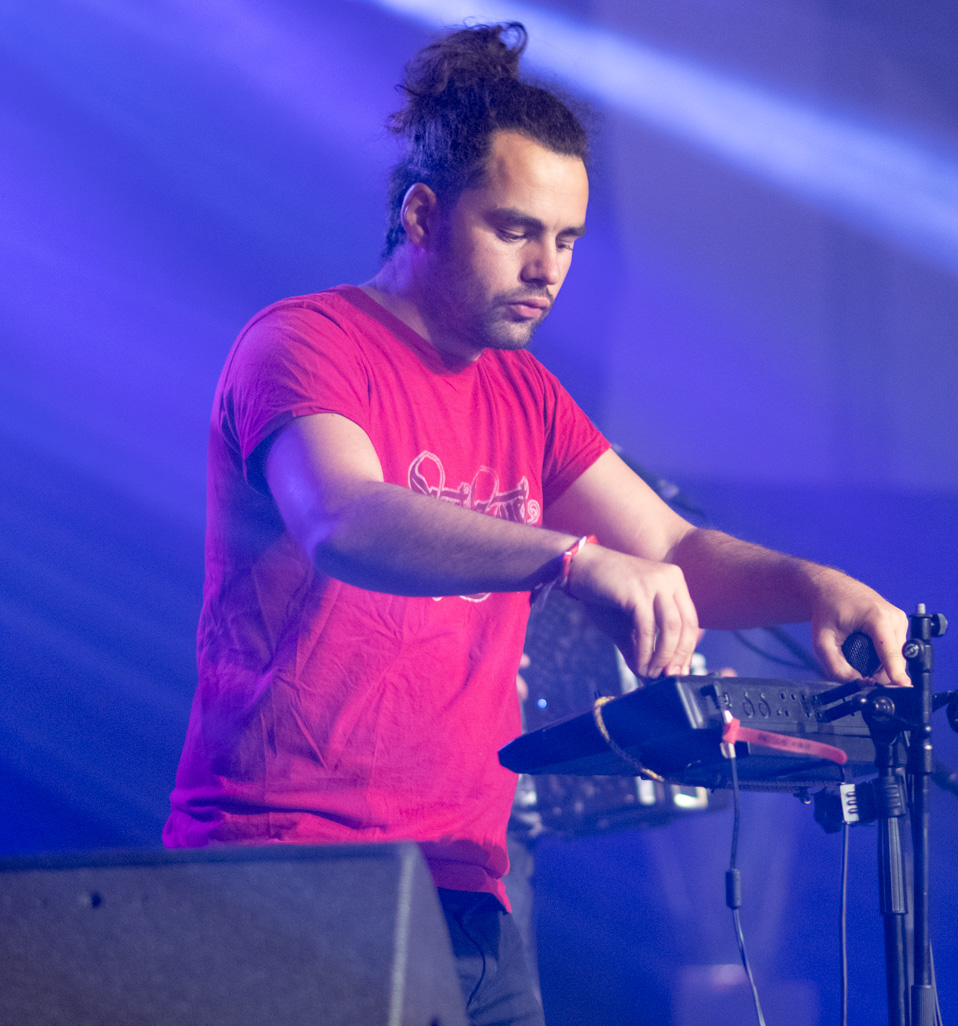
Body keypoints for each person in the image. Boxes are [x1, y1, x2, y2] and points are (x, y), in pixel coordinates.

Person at [163, 22, 910, 1026]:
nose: (546, 268)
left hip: (470, 885)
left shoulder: (526, 395)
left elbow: (672, 549)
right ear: (422, 213)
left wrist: (813, 585)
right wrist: (572, 559)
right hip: (289, 868)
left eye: (565, 240)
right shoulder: (305, 343)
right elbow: (343, 518)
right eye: (516, 230)